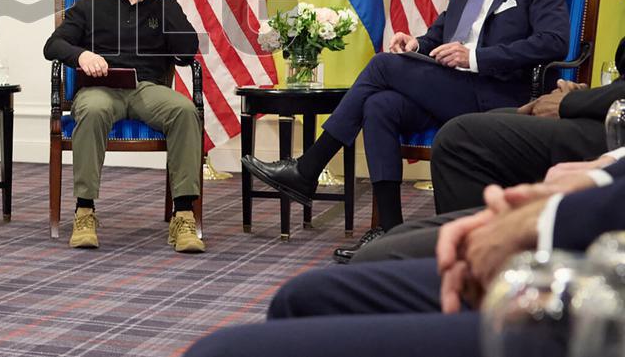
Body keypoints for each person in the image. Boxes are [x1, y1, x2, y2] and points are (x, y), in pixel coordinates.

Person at [243, 0, 569, 260]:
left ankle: (308, 168)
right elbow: (437, 37)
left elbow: (552, 41)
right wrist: (416, 43)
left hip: (498, 93)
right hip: (452, 89)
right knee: (379, 104)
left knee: (383, 67)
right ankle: (390, 231)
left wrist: (474, 57)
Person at [184, 155, 625, 357]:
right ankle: (374, 217)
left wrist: (548, 220)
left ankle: (308, 171)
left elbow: (539, 45)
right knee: (299, 296)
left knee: (219, 351)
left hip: (606, 296)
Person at [43, 0, 204, 252]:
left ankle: (183, 216)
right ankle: (85, 211)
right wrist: (82, 55)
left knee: (185, 111)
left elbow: (188, 52)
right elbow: (53, 45)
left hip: (147, 89)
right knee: (92, 109)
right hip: (102, 88)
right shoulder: (91, 6)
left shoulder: (161, 6)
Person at [431, 35, 625, 213]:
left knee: (462, 138)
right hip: (610, 105)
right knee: (497, 118)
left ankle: (481, 244)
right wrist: (583, 95)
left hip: (617, 129)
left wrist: (570, 102)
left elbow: (552, 41)